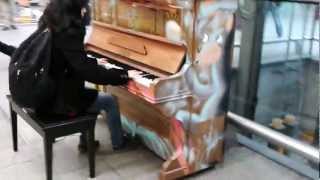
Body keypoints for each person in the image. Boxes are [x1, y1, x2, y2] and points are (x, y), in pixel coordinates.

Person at [0, 0, 140, 151]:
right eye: (83, 7)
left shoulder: (49, 23)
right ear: (73, 9)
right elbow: (87, 71)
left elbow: (67, 59)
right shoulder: (69, 32)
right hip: (54, 101)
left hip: (43, 91)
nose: (85, 11)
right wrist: (123, 75)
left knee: (83, 91)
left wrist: (92, 61)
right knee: (109, 100)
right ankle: (119, 143)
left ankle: (86, 141)